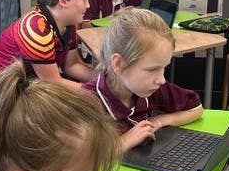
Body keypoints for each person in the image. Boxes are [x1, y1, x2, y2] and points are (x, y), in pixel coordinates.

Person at [81, 8, 203, 150]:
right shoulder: (87, 103)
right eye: (152, 69)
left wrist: (157, 121)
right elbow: (78, 161)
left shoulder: (150, 88)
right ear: (118, 64)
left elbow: (196, 109)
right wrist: (123, 142)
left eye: (164, 68)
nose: (161, 80)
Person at [0, 0, 95, 89]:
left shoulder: (68, 23)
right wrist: (98, 92)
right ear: (63, 1)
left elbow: (71, 66)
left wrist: (104, 81)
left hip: (30, 81)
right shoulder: (35, 28)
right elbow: (52, 82)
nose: (88, 5)